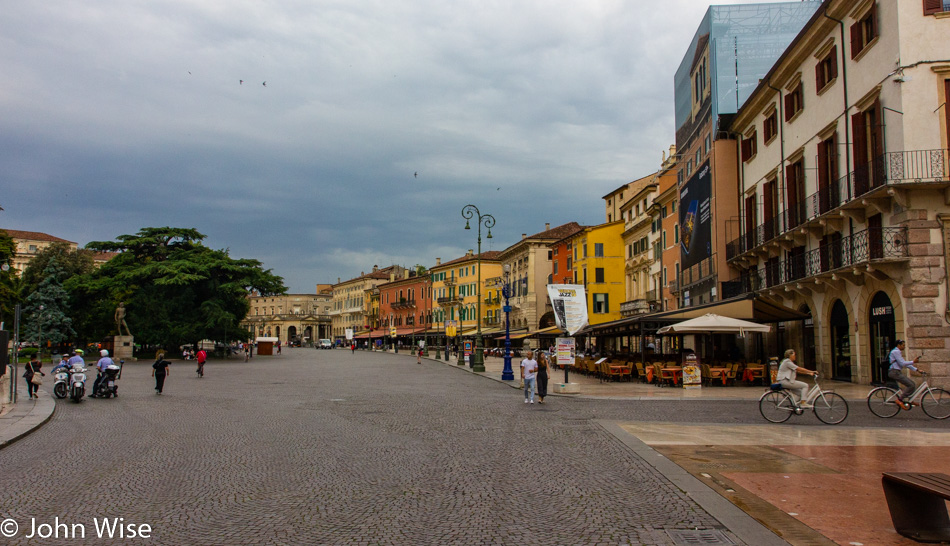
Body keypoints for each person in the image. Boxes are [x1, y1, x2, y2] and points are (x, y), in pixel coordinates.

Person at [889, 339, 920, 410]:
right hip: (894, 372)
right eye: (903, 345)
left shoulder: (897, 352)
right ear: (898, 345)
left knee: (912, 384)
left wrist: (917, 370)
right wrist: (913, 361)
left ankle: (910, 400)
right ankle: (899, 400)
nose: (904, 347)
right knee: (911, 385)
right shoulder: (896, 352)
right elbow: (903, 363)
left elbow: (904, 363)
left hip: (896, 372)